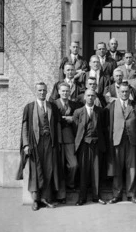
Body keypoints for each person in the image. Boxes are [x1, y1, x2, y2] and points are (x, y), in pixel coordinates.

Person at [17, 82, 62, 211]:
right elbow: (25, 127)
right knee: (36, 172)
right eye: (40, 90)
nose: (42, 92)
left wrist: (58, 142)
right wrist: (26, 144)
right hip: (35, 143)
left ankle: (46, 198)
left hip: (49, 142)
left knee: (48, 170)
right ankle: (35, 200)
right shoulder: (29, 108)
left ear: (47, 91)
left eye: (44, 90)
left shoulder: (52, 107)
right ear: (35, 91)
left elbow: (57, 125)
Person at [105, 82, 136, 204]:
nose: (124, 93)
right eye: (122, 91)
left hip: (131, 140)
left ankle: (131, 194)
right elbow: (108, 124)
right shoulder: (112, 106)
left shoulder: (135, 106)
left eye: (126, 91)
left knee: (131, 167)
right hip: (117, 140)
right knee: (117, 168)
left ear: (129, 92)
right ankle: (116, 194)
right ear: (118, 92)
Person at [73, 89, 107, 206]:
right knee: (83, 171)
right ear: (84, 97)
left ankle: (96, 196)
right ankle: (82, 197)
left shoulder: (100, 111)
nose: (90, 98)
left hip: (97, 144)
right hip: (83, 144)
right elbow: (75, 129)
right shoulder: (78, 112)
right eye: (88, 95)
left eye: (93, 96)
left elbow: (103, 128)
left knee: (96, 170)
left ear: (95, 97)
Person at [52, 82, 79, 203]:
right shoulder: (53, 104)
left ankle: (70, 183)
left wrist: (72, 119)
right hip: (56, 138)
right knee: (59, 166)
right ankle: (60, 194)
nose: (65, 93)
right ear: (58, 92)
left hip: (69, 138)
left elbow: (78, 118)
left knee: (73, 165)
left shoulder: (74, 104)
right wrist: (65, 119)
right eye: (63, 91)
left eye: (67, 91)